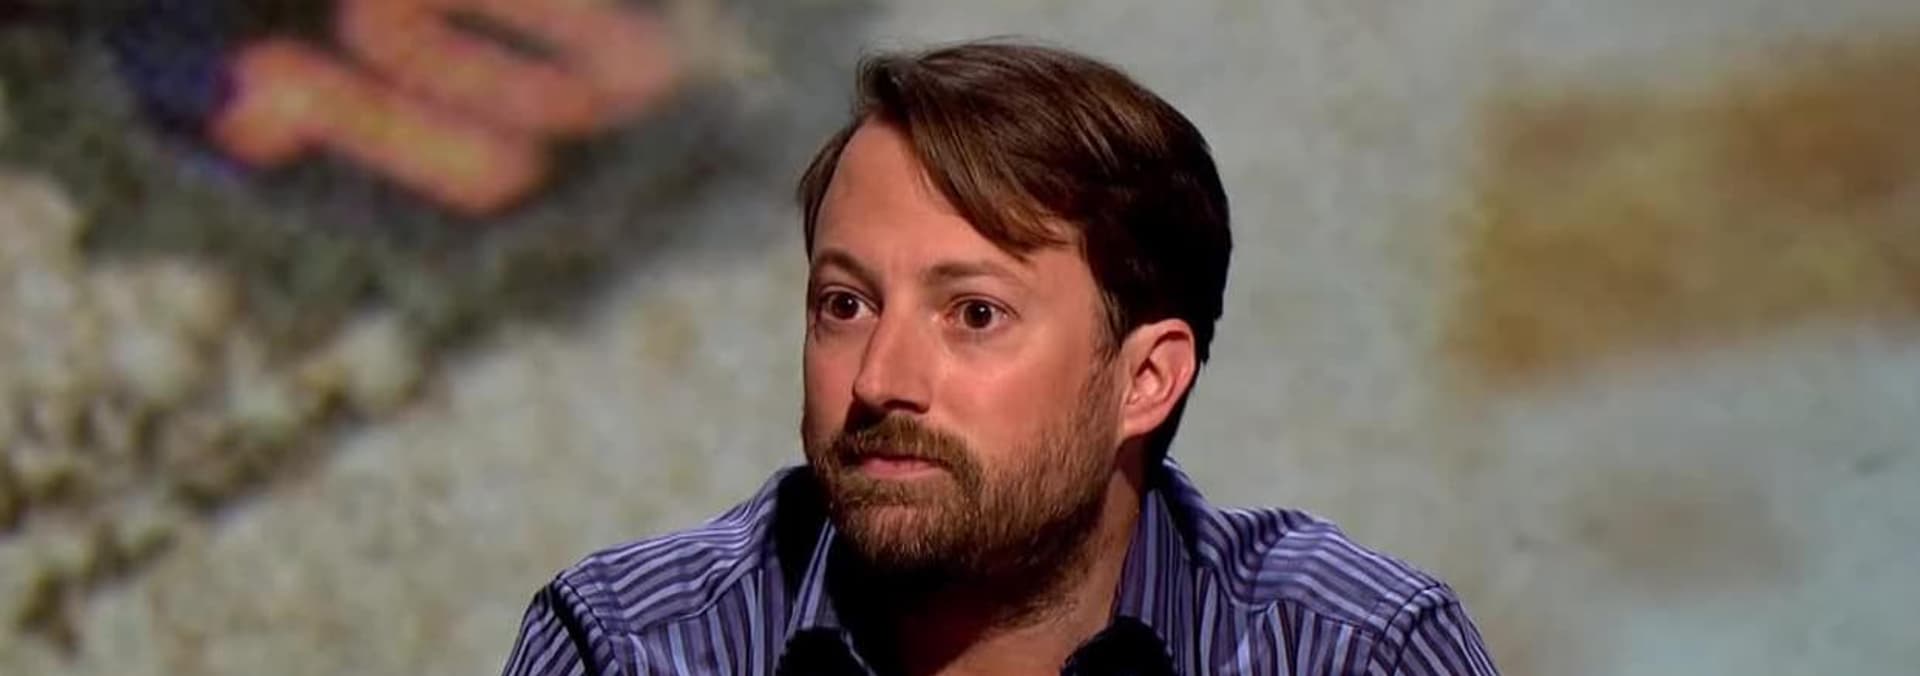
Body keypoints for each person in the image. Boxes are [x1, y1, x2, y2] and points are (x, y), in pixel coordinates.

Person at [501, 39, 1499, 676]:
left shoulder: (1354, 650)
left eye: (974, 314)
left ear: (1146, 379)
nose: (881, 379)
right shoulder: (630, 646)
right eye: (845, 304)